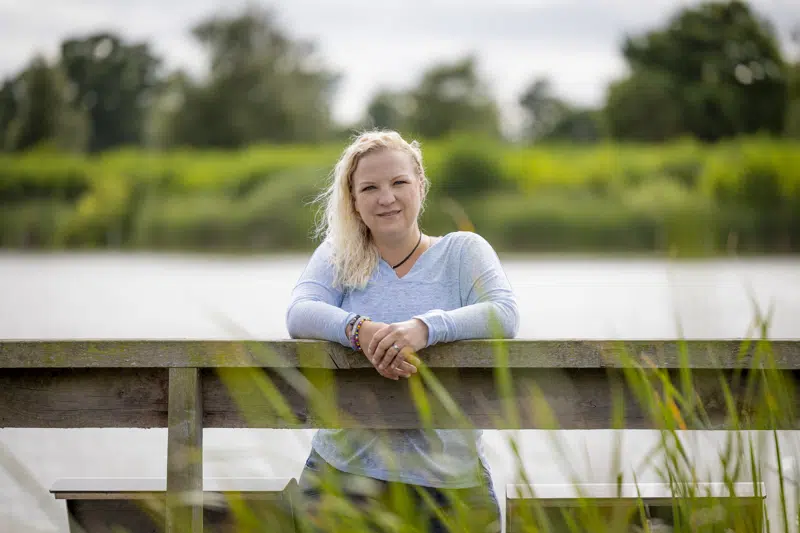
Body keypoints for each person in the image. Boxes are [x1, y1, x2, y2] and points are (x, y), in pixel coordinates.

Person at [285, 129, 519, 532]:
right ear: (354, 201)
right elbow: (299, 313)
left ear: (420, 186)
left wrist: (425, 328)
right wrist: (360, 330)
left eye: (398, 183)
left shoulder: (463, 251)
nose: (386, 197)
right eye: (370, 188)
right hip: (344, 478)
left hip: (448, 485)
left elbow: (505, 314)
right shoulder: (339, 255)